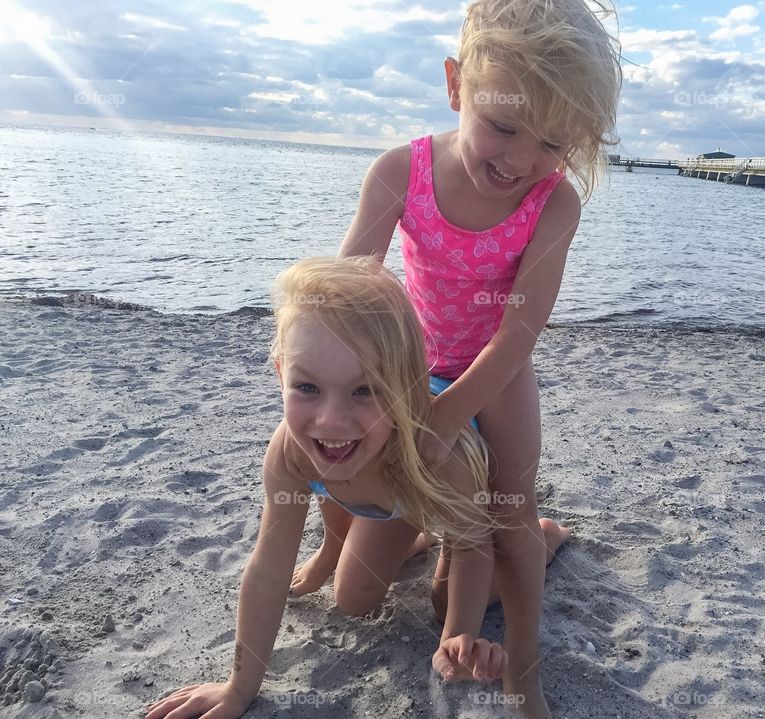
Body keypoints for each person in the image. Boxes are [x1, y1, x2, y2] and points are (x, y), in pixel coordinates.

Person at [314, 1, 621, 716]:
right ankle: (391, 537)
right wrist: (333, 364)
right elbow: (347, 293)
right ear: (457, 86)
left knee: (507, 517)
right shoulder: (401, 170)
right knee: (357, 598)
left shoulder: (554, 205)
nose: (520, 160)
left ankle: (527, 657)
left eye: (551, 143)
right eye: (504, 125)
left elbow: (517, 335)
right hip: (412, 364)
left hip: (497, 371)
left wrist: (447, 415)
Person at [145, 256, 509, 719]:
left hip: (442, 492)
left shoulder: (442, 452)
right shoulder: (292, 450)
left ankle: (545, 536)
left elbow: (474, 543)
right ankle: (414, 539)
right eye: (307, 388)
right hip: (389, 497)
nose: (330, 420)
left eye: (364, 390)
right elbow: (268, 568)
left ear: (405, 387)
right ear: (280, 372)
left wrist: (458, 634)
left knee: (443, 602)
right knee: (353, 598)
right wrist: (238, 688)